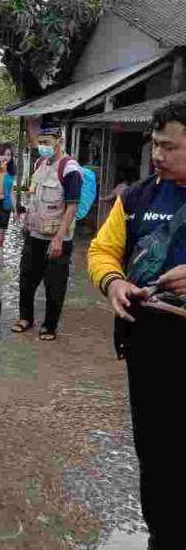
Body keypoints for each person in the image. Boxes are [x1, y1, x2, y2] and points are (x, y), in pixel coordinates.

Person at [87, 98, 186, 550]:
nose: (157, 155)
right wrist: (112, 283)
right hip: (151, 346)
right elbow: (102, 251)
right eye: (155, 144)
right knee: (157, 452)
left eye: (169, 146)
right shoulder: (138, 197)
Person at [11, 126, 82, 341]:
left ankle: (49, 326)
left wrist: (59, 238)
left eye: (46, 143)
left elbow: (72, 206)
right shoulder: (40, 164)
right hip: (34, 234)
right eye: (40, 143)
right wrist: (23, 216)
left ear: (59, 141)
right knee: (26, 278)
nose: (42, 147)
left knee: (54, 283)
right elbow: (35, 197)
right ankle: (26, 318)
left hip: (57, 238)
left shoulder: (70, 169)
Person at [0, 142, 17, 268]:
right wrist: (1, 172)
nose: (5, 157)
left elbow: (11, 192)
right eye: (2, 154)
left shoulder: (11, 173)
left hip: (6, 208)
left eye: (8, 155)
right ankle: (3, 269)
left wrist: (15, 210)